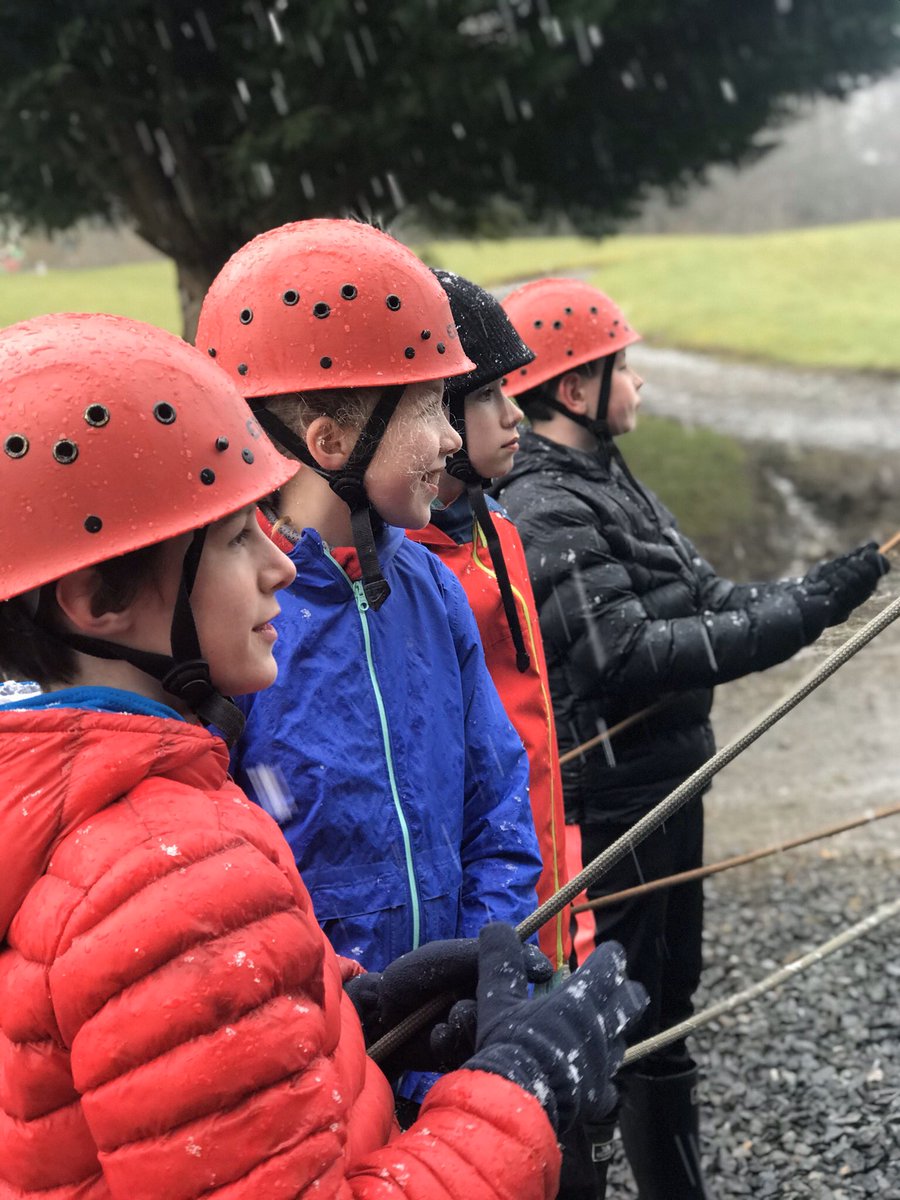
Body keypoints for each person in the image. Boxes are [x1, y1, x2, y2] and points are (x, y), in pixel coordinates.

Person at [0, 310, 648, 1199]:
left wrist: (341, 1009)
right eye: (233, 538)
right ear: (94, 598)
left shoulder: (117, 813)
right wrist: (517, 1092)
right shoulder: (167, 876)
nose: (276, 563)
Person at [493, 277, 890, 1200]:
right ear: (570, 388)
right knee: (615, 1022)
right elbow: (623, 656)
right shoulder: (545, 503)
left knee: (669, 1006)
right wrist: (801, 619)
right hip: (617, 801)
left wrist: (831, 588)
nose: (637, 384)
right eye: (620, 367)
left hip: (671, 777)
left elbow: (706, 601)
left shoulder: (605, 478)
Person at [196, 220, 545, 1118]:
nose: (448, 440)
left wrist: (477, 984)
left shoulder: (429, 587)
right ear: (328, 441)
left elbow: (496, 806)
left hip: (449, 1048)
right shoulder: (233, 630)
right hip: (317, 1073)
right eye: (430, 408)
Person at [407, 269, 570, 976]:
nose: (515, 417)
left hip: (537, 871)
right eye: (484, 396)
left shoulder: (494, 531)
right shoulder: (407, 570)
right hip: (481, 916)